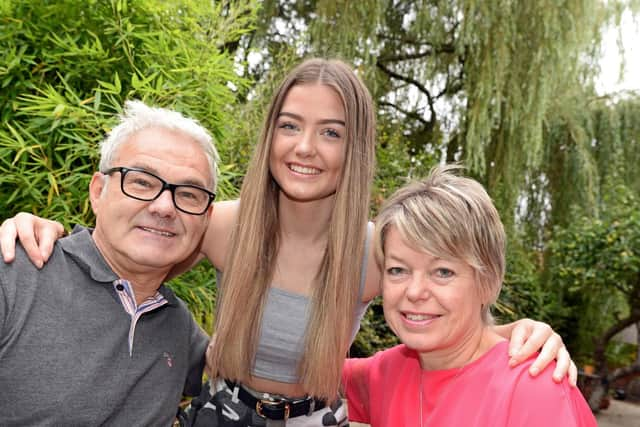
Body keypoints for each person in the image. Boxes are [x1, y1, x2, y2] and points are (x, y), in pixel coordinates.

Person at [0, 59, 574, 426]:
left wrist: (517, 334)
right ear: (271, 132)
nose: (305, 147)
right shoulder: (222, 224)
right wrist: (42, 233)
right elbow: (126, 261)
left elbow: (440, 313)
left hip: (315, 421)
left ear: (356, 149)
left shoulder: (376, 255)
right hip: (222, 413)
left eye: (331, 132)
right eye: (290, 125)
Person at [0, 100, 218, 425]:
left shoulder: (178, 328)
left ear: (207, 218)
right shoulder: (16, 277)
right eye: (142, 181)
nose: (164, 207)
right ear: (98, 192)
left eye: (188, 194)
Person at [341, 165, 597, 427]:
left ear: (489, 282)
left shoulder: (535, 389)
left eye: (443, 272)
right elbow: (303, 369)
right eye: (398, 270)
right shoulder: (386, 373)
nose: (415, 291)